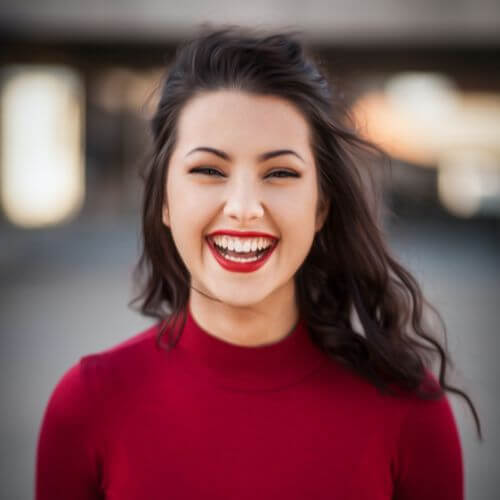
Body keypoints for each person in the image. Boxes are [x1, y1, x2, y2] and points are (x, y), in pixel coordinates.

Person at [35, 24, 481, 499]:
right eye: (209, 170)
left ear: (321, 206)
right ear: (164, 199)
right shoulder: (87, 406)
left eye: (280, 172)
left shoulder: (410, 411)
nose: (244, 207)